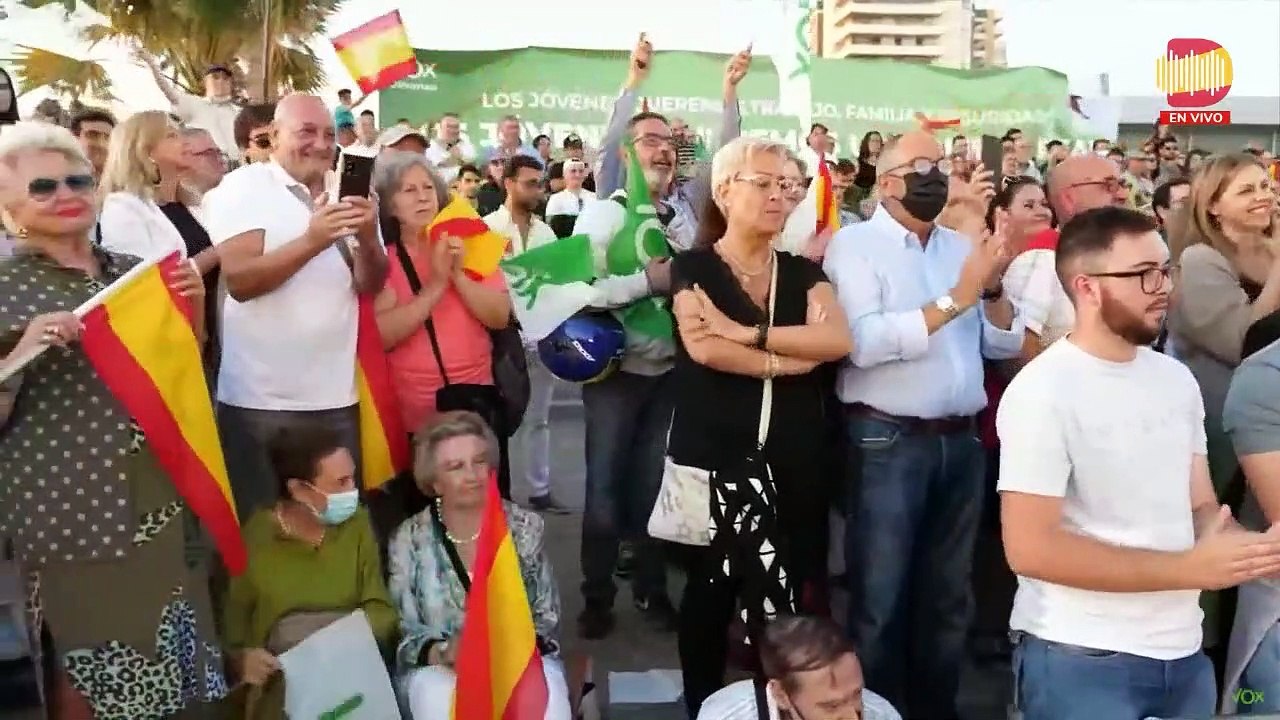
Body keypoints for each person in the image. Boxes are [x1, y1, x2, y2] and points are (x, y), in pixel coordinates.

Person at [998, 205, 1280, 719]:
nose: (1163, 288)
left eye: (1166, 270)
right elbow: (1030, 549)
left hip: (1183, 653)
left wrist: (1246, 550)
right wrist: (1188, 569)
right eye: (1143, 274)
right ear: (1086, 287)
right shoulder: (1042, 392)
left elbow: (1200, 506)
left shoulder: (1174, 379)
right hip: (1081, 657)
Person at [0, 121, 220, 718]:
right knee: (93, 678)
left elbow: (183, 373)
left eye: (78, 180)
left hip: (162, 503)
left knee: (177, 675)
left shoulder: (133, 272)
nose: (66, 194)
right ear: (9, 206)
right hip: (71, 520)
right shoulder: (5, 288)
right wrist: (22, 352)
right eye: (43, 186)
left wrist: (195, 308)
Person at [822, 130, 1025, 718]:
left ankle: (936, 708)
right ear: (887, 181)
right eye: (920, 165)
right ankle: (877, 710)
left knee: (948, 599)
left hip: (960, 441)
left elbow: (998, 342)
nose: (935, 176)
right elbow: (863, 343)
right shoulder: (854, 247)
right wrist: (958, 297)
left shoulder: (959, 248)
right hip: (887, 440)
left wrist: (990, 287)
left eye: (940, 164)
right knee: (880, 599)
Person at [672, 137, 853, 715]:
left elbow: (836, 339)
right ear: (725, 191)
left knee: (790, 600)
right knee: (709, 596)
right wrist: (793, 360)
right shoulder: (694, 266)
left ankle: (785, 707)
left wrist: (747, 334)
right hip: (714, 458)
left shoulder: (802, 272)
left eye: (789, 186)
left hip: (794, 460)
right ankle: (704, 705)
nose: (781, 196)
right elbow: (706, 350)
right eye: (765, 183)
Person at [202, 94, 388, 519]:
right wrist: (313, 240)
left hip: (336, 397)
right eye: (306, 132)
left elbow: (370, 284)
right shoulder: (243, 186)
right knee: (264, 532)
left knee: (335, 527)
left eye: (328, 134)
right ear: (273, 136)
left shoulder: (348, 190)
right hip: (259, 403)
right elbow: (242, 282)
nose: (320, 144)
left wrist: (369, 237)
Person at [388, 411, 569, 719]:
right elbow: (405, 632)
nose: (472, 475)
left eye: (479, 461)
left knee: (547, 707)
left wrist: (506, 648)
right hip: (442, 669)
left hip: (519, 659)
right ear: (434, 482)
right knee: (439, 701)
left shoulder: (524, 527)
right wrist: (445, 651)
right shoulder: (409, 539)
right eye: (456, 467)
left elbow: (547, 617)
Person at [222, 423, 397, 720]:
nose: (352, 491)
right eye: (340, 483)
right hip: (284, 683)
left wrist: (330, 642)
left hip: (353, 669)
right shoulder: (255, 540)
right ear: (299, 489)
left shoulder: (357, 525)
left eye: (352, 478)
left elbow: (382, 611)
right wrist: (242, 661)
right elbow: (233, 634)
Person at [372, 152, 511, 439]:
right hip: (414, 413)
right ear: (389, 204)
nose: (423, 197)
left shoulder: (468, 241)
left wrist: (458, 275)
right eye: (409, 190)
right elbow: (380, 337)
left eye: (428, 187)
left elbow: (500, 317)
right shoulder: (383, 261)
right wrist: (436, 285)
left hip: (477, 403)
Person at [1167, 155, 1280, 497]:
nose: (1263, 196)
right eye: (1246, 191)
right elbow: (1243, 343)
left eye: (1265, 186)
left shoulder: (1271, 248)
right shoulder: (1201, 259)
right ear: (1213, 206)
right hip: (1234, 432)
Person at [696, 615, 900, 720]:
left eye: (856, 694)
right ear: (781, 694)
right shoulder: (726, 716)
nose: (852, 716)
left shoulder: (881, 714)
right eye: (831, 706)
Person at [96, 110, 192, 261]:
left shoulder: (193, 200)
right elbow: (137, 271)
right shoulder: (122, 207)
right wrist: (214, 254)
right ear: (145, 151)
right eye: (171, 136)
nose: (186, 142)